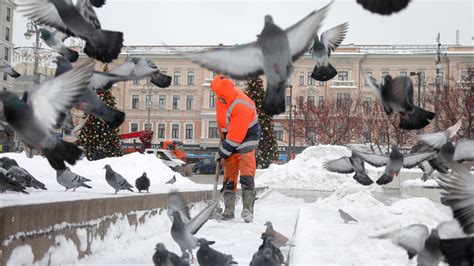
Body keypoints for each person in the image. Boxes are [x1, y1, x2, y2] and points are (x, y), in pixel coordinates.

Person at [211, 75, 261, 223]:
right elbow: (223, 124)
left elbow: (236, 136)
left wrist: (222, 151)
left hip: (248, 136)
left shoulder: (241, 105)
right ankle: (229, 209)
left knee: (246, 170)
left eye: (220, 96)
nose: (217, 98)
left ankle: (247, 209)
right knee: (229, 172)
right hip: (230, 135)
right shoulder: (221, 98)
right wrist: (223, 142)